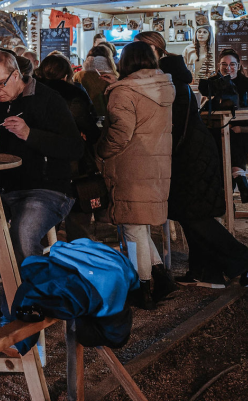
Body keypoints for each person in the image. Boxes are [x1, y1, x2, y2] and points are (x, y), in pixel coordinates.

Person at [0, 50, 82, 333]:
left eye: (0, 84)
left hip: (45, 188)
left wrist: (30, 134)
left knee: (22, 232)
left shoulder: (48, 99)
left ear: (17, 75)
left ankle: (33, 301)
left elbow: (73, 147)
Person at [135, 32, 248, 289]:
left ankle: (247, 259)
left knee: (193, 214)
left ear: (155, 49)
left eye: (142, 48)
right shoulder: (166, 76)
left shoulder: (164, 79)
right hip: (189, 152)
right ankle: (205, 272)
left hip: (190, 155)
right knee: (186, 212)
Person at [96, 41, 175, 309]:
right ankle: (161, 278)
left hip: (130, 165)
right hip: (155, 164)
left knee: (132, 227)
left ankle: (142, 287)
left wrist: (100, 150)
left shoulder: (123, 92)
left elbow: (120, 134)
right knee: (139, 225)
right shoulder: (162, 86)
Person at [34, 54, 102, 242]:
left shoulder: (33, 93)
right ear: (66, 75)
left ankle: (43, 260)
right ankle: (77, 258)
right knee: (79, 219)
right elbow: (91, 128)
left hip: (41, 163)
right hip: (73, 166)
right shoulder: (75, 94)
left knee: (44, 223)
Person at [198, 48, 248, 204]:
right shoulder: (212, 85)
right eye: (224, 64)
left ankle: (223, 197)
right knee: (222, 138)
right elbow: (203, 114)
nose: (228, 68)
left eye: (232, 64)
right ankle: (239, 180)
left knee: (231, 138)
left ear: (238, 66)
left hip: (245, 134)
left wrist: (242, 128)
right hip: (219, 133)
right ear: (219, 66)